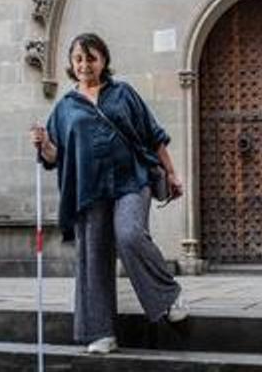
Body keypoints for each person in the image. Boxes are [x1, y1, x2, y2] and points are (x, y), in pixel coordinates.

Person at [29, 32, 188, 354]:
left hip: (132, 179)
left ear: (103, 60)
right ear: (72, 64)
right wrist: (44, 144)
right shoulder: (64, 108)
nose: (85, 64)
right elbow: (54, 156)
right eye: (79, 59)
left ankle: (167, 296)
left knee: (129, 234)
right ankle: (99, 332)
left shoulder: (123, 94)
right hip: (88, 189)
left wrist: (171, 173)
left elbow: (153, 136)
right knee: (94, 257)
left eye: (92, 58)